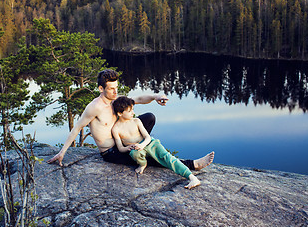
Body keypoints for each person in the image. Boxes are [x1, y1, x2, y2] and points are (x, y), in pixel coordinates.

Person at [47, 69, 214, 172]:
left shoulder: (116, 99)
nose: (115, 92)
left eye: (116, 88)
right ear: (101, 88)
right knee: (152, 158)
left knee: (149, 117)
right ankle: (193, 165)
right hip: (112, 152)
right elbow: (76, 128)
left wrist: (156, 96)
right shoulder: (94, 107)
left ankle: (143, 146)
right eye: (111, 89)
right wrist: (62, 153)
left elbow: (139, 98)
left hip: (127, 140)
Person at [112, 96, 214, 189]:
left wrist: (142, 144)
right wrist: (128, 148)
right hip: (137, 150)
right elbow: (120, 148)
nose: (133, 113)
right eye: (129, 111)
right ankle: (143, 164)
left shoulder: (136, 121)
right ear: (120, 113)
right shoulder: (116, 129)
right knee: (134, 154)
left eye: (133, 110)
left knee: (168, 158)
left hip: (149, 144)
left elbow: (147, 137)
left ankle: (191, 177)